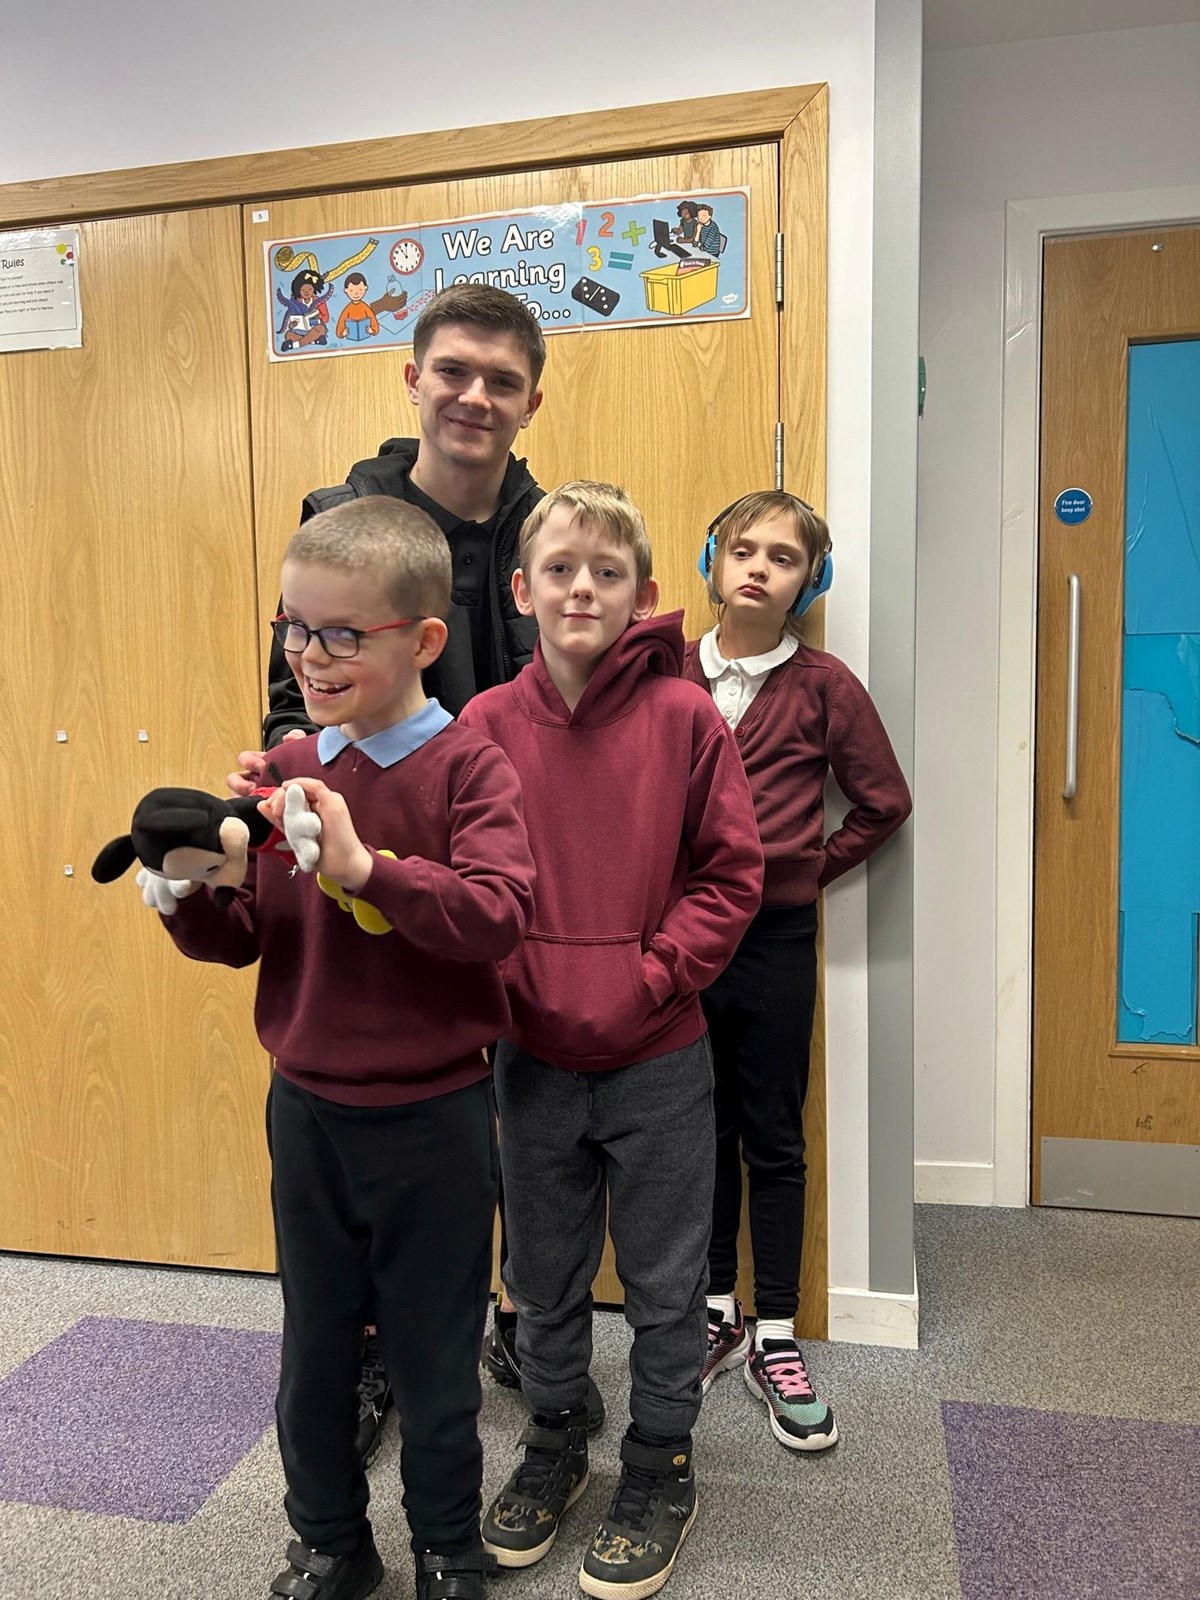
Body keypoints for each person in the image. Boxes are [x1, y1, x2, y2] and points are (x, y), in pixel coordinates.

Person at [229, 283, 603, 1459]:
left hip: (507, 867)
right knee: (380, 1121)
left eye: (500, 380)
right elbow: (300, 686)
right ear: (414, 379)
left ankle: (497, 1315)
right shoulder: (347, 513)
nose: (473, 397)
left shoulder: (552, 532)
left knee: (500, 1125)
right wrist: (289, 788)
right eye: (453, 371)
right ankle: (382, 1347)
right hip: (370, 864)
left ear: (531, 400)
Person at [146, 496, 537, 1600]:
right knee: (316, 1345)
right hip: (308, 1108)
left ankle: (449, 1547)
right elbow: (246, 939)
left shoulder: (470, 768)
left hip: (437, 1118)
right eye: (292, 626)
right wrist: (186, 890)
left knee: (432, 1350)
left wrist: (369, 869)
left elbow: (496, 917)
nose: (309, 656)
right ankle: (326, 1538)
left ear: (421, 639)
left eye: (339, 634)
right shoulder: (281, 766)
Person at [459, 482, 763, 1598]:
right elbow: (466, 885)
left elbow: (733, 875)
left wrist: (652, 976)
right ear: (522, 589)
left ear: (642, 591)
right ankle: (554, 1443)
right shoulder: (486, 725)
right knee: (539, 1276)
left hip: (659, 1055)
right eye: (560, 568)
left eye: (607, 570)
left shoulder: (688, 719)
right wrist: (515, 983)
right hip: (531, 1058)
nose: (582, 586)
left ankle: (659, 1461)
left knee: (668, 1283)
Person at [683, 489, 911, 1452]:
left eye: (783, 556)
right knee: (698, 1129)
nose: (758, 567)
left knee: (771, 1130)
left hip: (774, 942)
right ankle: (713, 1307)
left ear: (809, 581)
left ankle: (776, 1328)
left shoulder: (825, 685)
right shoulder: (661, 670)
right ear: (713, 560)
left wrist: (806, 868)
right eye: (743, 548)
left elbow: (882, 800)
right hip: (679, 938)